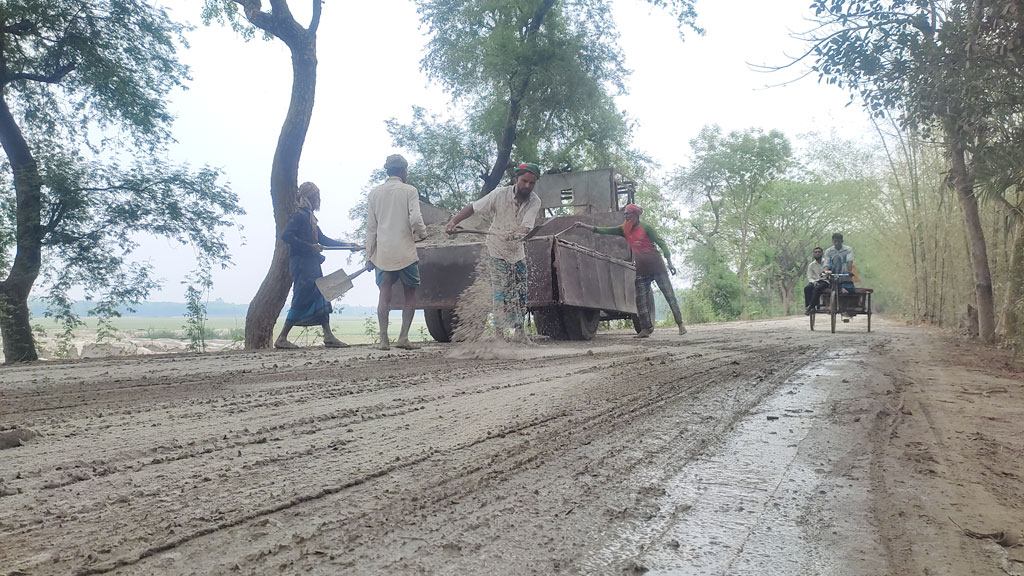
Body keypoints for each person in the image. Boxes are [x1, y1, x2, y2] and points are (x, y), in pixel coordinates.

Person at [445, 162, 542, 342]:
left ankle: (520, 333)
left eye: (531, 183)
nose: (527, 186)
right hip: (496, 249)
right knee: (500, 292)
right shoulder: (499, 194)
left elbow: (526, 227)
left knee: (520, 292)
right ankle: (499, 334)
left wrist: (516, 234)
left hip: (517, 251)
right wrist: (454, 222)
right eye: (524, 181)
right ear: (516, 179)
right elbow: (473, 207)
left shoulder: (535, 201)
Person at [574, 204, 686, 338]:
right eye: (625, 214)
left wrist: (670, 263)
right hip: (642, 269)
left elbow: (662, 243)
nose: (625, 216)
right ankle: (645, 329)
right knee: (640, 300)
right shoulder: (624, 229)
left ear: (635, 215)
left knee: (669, 295)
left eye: (628, 213)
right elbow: (604, 230)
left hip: (657, 266)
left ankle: (680, 324)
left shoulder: (646, 228)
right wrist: (583, 226)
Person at [275, 181, 358, 350]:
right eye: (317, 196)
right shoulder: (299, 216)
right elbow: (286, 236)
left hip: (311, 263)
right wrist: (310, 247)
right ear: (310, 197)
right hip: (301, 264)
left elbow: (324, 240)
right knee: (301, 296)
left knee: (322, 293)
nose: (319, 200)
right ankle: (282, 337)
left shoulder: (310, 217)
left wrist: (348, 245)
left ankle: (328, 336)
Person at [365, 154, 428, 351]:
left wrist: (369, 255)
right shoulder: (409, 190)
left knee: (384, 295)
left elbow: (371, 228)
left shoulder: (374, 194)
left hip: (383, 253)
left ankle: (383, 340)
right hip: (405, 252)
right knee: (410, 295)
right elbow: (416, 219)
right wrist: (423, 234)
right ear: (403, 171)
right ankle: (403, 337)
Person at [808, 232, 856, 311]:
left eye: (838, 241)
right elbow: (826, 262)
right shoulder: (829, 251)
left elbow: (849, 261)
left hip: (844, 270)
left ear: (842, 241)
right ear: (833, 241)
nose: (837, 243)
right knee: (835, 259)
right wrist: (826, 270)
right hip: (833, 270)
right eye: (835, 241)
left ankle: (843, 288)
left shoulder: (848, 249)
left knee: (843, 264)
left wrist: (849, 271)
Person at [804, 246, 828, 315]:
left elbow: (828, 272)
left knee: (817, 288)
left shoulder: (826, 262)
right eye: (815, 252)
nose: (817, 253)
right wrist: (814, 282)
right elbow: (809, 277)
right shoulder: (811, 265)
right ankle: (810, 307)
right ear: (813, 254)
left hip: (825, 281)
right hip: (815, 281)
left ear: (822, 253)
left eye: (819, 252)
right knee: (807, 288)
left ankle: (810, 306)